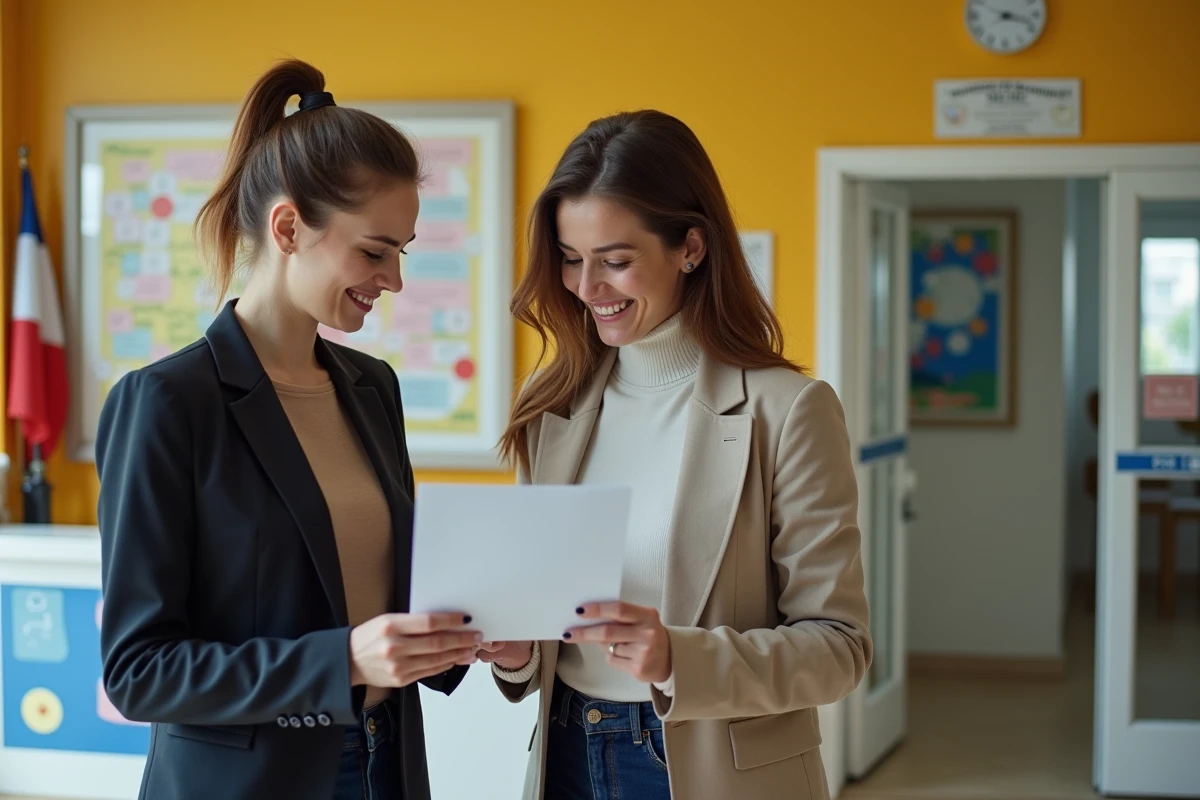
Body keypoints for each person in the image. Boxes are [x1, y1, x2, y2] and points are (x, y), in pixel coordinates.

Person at [95, 59, 479, 800]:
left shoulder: (374, 389)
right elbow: (138, 671)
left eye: (402, 252)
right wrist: (344, 664)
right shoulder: (168, 403)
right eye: (375, 250)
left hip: (384, 765)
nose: (392, 280)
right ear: (288, 227)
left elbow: (373, 598)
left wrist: (467, 633)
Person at [478, 110, 872, 800]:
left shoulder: (788, 410)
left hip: (705, 767)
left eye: (616, 261)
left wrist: (677, 658)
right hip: (568, 749)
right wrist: (516, 654)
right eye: (571, 259)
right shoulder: (553, 408)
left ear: (691, 247)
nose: (586, 287)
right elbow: (546, 621)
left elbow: (839, 647)